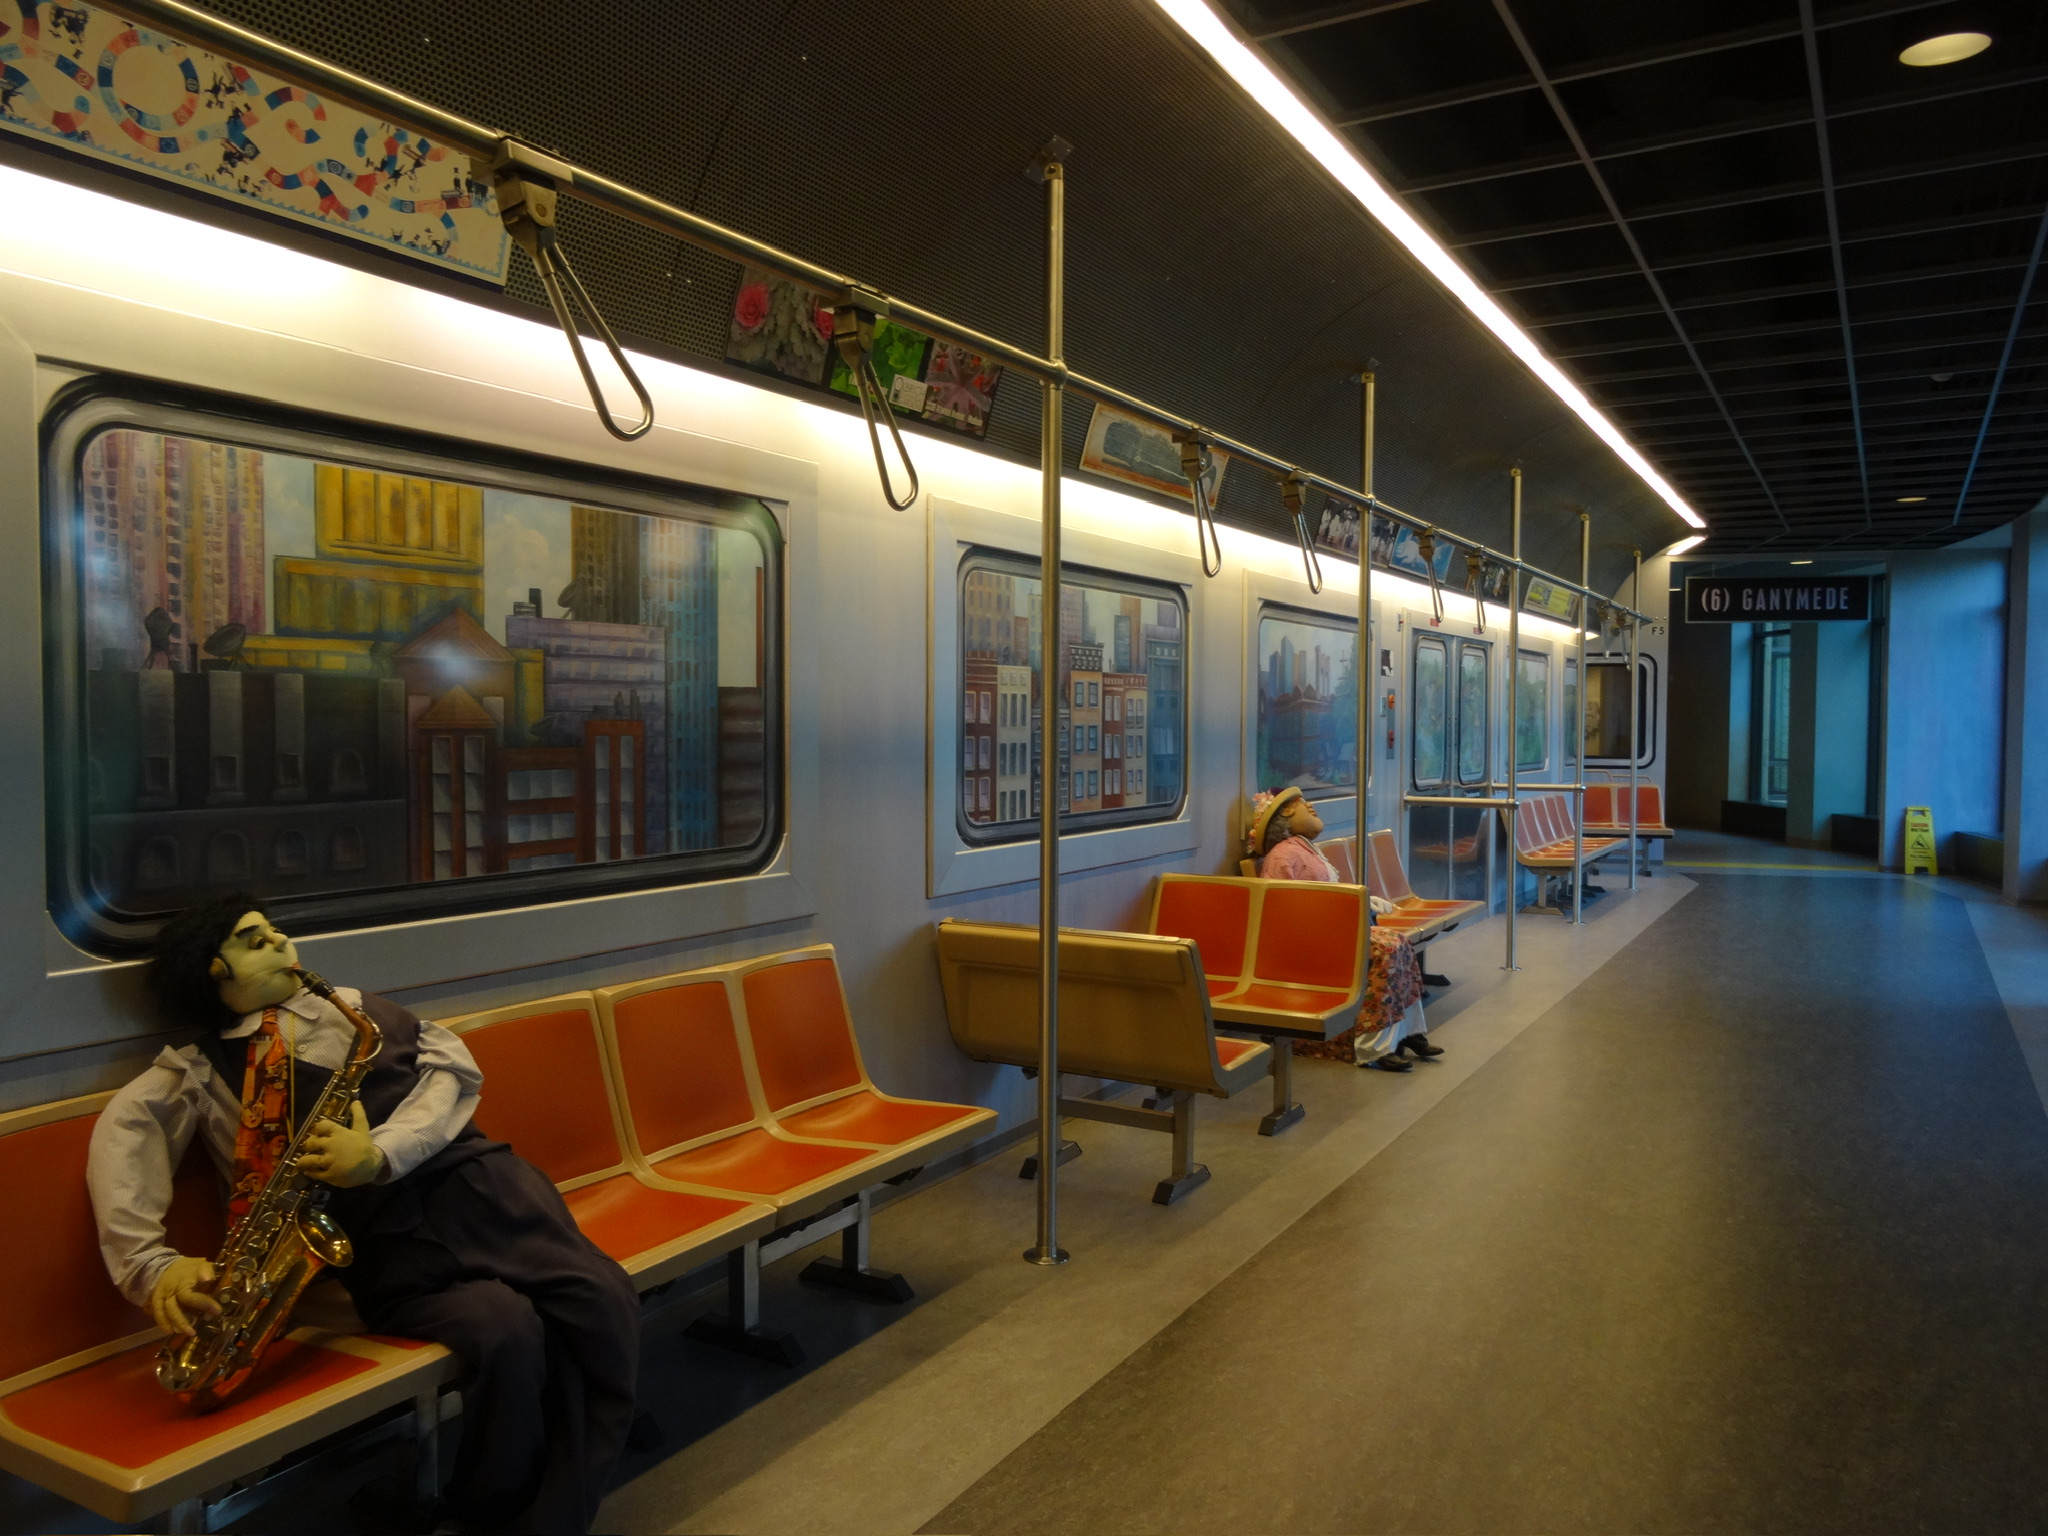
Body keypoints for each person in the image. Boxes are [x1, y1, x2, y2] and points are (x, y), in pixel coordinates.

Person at [86, 893, 640, 1535]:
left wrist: (377, 1153)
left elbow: (452, 1072)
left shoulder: (353, 1009)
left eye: (273, 929)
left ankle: (557, 1509)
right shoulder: (198, 1072)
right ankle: (494, 1510)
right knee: (506, 1331)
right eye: (251, 937)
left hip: (477, 1195)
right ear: (212, 969)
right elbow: (126, 1132)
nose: (277, 939)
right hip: (383, 1250)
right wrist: (152, 1268)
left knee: (598, 1302)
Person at [1246, 787, 1439, 1071]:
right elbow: (1285, 909)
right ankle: (1375, 1046)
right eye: (1301, 805)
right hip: (1312, 939)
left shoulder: (1304, 848)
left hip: (1331, 929)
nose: (1311, 808)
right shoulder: (1282, 856)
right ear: (1284, 815)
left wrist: (1360, 902)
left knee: (1399, 942)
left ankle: (1406, 1031)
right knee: (1385, 949)